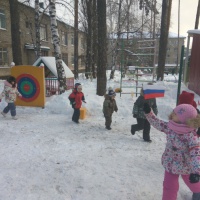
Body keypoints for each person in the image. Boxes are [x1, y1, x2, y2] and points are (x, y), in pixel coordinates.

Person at [143, 103, 200, 200]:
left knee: (194, 184)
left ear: (185, 119)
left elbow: (195, 154)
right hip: (170, 164)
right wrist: (149, 114)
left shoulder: (191, 136)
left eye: (176, 113)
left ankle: (198, 193)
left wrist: (196, 172)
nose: (173, 113)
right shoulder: (170, 126)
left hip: (186, 166)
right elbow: (158, 123)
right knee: (169, 187)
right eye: (173, 111)